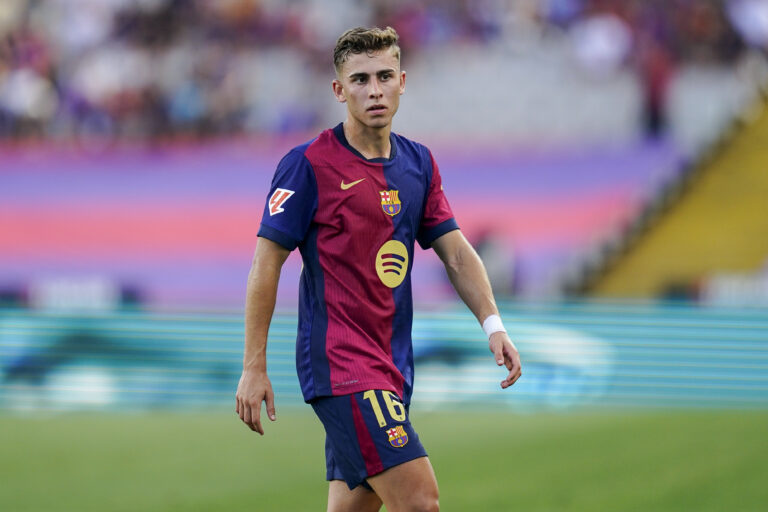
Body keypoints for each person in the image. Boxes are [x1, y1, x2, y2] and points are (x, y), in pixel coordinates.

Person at [235, 26, 522, 512]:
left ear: (402, 82)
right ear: (338, 89)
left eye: (385, 76)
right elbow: (267, 264)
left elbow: (455, 252)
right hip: (342, 366)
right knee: (420, 501)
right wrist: (253, 366)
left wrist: (493, 325)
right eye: (360, 79)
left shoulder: (418, 164)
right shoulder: (307, 165)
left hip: (392, 365)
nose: (374, 90)